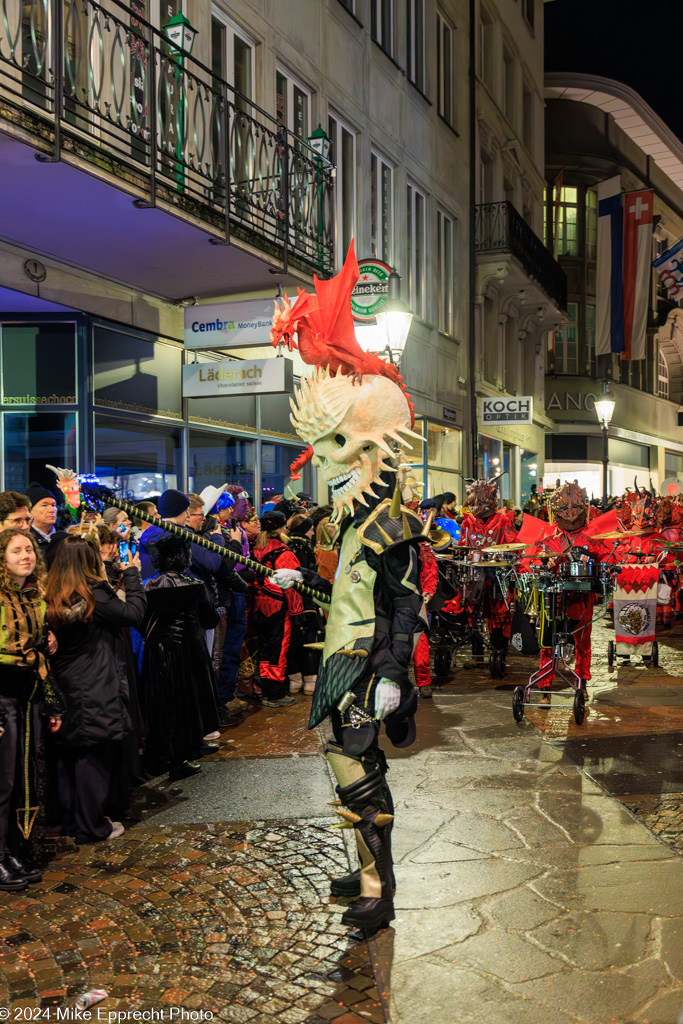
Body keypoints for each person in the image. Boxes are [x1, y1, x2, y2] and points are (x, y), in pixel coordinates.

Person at [269, 242, 425, 931]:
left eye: (335, 445)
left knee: (354, 769)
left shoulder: (390, 522)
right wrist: (296, 576)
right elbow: (357, 592)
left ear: (370, 446)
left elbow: (404, 601)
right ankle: (360, 869)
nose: (321, 463)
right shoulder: (354, 520)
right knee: (345, 766)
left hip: (365, 667)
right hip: (343, 663)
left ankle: (376, 889)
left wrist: (393, 672)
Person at [47, 534, 146, 844]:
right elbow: (134, 614)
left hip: (67, 683)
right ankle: (92, 827)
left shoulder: (54, 592)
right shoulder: (92, 595)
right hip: (94, 685)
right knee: (93, 756)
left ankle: (72, 822)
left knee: (70, 756)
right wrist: (131, 576)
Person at [0, 529, 63, 891]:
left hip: (27, 696)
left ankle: (11, 851)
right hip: (3, 697)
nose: (26, 556)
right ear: (2, 558)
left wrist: (51, 701)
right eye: (16, 551)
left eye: (29, 550)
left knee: (20, 781)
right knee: (2, 782)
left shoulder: (34, 597)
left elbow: (38, 654)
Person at [140, 535, 220, 780]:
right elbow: (211, 620)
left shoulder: (147, 586)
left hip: (158, 651)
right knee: (190, 699)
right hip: (190, 649)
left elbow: (139, 619)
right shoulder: (194, 585)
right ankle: (186, 750)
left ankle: (162, 754)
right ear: (185, 557)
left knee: (163, 702)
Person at [458, 477, 517, 667]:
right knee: (474, 611)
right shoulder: (467, 523)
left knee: (499, 612)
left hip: (497, 575)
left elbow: (513, 547)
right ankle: (477, 653)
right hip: (475, 575)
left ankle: (499, 651)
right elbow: (462, 547)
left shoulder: (503, 521)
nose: (474, 504)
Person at [252, 511, 303, 707]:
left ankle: (265, 690)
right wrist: (297, 612)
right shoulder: (285, 553)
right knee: (278, 650)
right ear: (282, 528)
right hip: (279, 607)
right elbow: (292, 587)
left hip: (259, 606)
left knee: (265, 649)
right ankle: (275, 693)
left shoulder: (256, 549)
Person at [286, 514, 322, 695]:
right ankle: (309, 680)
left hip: (289, 600)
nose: (313, 532)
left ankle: (294, 679)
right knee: (308, 641)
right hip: (305, 600)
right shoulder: (304, 548)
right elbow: (305, 576)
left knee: (293, 641)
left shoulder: (287, 545)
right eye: (310, 529)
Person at [25, 484, 66, 557]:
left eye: (53, 505)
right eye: (44, 505)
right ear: (29, 512)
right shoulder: (26, 540)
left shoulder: (64, 538)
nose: (52, 510)